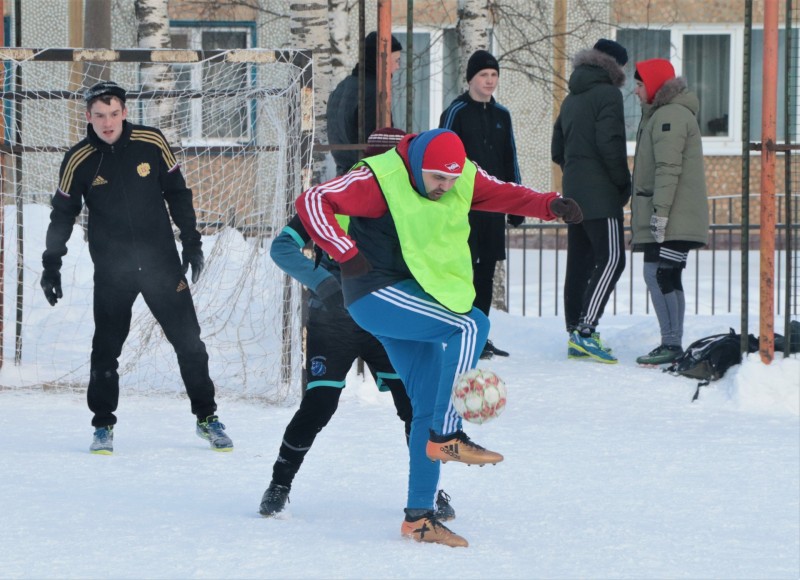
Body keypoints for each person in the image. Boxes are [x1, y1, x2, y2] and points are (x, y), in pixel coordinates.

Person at [295, 128, 582, 547]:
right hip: (374, 293)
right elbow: (312, 201)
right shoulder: (377, 179)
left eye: (450, 179)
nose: (445, 187)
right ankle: (448, 436)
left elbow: (505, 193)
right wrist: (344, 251)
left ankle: (419, 517)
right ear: (415, 167)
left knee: (427, 407)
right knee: (470, 325)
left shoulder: (461, 174)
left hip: (412, 296)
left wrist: (549, 205)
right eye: (436, 179)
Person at [259, 127, 454, 522]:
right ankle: (279, 484)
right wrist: (326, 284)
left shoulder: (414, 204)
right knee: (319, 405)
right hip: (336, 321)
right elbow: (281, 247)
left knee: (415, 407)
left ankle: (430, 493)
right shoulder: (336, 199)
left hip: (388, 322)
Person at [40, 81, 232, 455]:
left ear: (125, 112)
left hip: (161, 264)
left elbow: (178, 193)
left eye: (113, 114)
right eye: (99, 116)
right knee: (106, 349)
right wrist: (51, 265)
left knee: (190, 343)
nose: (107, 123)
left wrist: (191, 241)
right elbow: (62, 215)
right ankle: (102, 426)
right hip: (114, 271)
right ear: (88, 117)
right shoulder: (78, 159)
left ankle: (207, 418)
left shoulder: (152, 141)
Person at [551, 38, 631, 364]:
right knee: (612, 259)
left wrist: (576, 175)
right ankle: (586, 331)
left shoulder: (571, 99)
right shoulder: (608, 94)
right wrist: (622, 183)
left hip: (574, 193)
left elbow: (557, 150)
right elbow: (610, 143)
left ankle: (574, 331)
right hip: (601, 195)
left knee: (580, 263)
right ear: (614, 66)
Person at [440, 49, 523, 360]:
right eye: (484, 76)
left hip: (492, 209)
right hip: (461, 208)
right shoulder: (456, 112)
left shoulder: (502, 115)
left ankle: (481, 336)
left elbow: (509, 159)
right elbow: (442, 159)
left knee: (485, 273)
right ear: (471, 79)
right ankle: (458, 332)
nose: (489, 81)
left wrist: (515, 203)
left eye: (493, 76)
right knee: (462, 272)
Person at [630, 59, 709, 365]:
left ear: (652, 85)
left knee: (659, 274)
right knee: (667, 275)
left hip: (673, 216)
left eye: (639, 85)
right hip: (674, 214)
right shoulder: (663, 114)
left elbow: (667, 169)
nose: (635, 92)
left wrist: (660, 213)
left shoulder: (670, 116)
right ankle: (672, 342)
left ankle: (671, 343)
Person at [327, 31, 403, 176]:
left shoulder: (344, 86)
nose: (398, 67)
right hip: (367, 176)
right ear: (382, 60)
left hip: (345, 174)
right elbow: (379, 143)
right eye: (397, 60)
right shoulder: (374, 92)